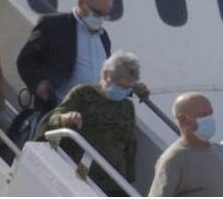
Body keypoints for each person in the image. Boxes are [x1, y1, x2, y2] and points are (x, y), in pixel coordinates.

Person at [17, 0, 150, 110]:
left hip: (95, 114)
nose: (100, 19)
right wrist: (40, 84)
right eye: (97, 13)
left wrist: (131, 87)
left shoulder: (103, 37)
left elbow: (107, 77)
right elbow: (26, 61)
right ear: (81, 4)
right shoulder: (54, 25)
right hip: (59, 110)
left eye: (105, 15)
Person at [35, 51, 143, 196]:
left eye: (128, 88)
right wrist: (65, 118)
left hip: (114, 182)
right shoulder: (83, 94)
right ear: (106, 75)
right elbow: (56, 116)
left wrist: (129, 179)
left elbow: (130, 146)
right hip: (81, 175)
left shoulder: (127, 107)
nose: (123, 92)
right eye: (120, 86)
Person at [149, 92, 223, 196]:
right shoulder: (174, 159)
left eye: (210, 113)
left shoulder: (217, 150)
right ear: (182, 118)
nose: (209, 119)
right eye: (203, 115)